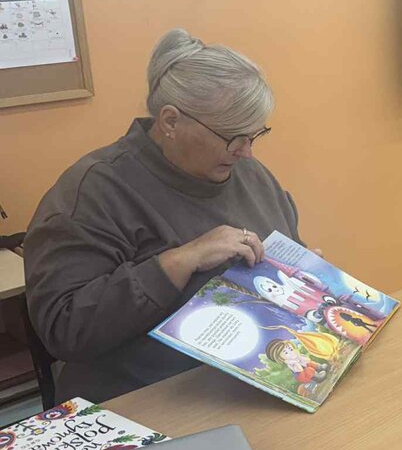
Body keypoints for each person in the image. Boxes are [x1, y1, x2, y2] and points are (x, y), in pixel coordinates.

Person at [23, 28, 306, 403]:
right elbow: (65, 329)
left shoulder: (248, 174)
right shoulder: (94, 191)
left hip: (251, 379)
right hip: (143, 401)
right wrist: (180, 261)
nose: (246, 152)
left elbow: (286, 253)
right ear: (171, 121)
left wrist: (304, 273)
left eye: (255, 136)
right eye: (233, 137)